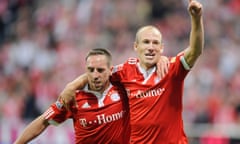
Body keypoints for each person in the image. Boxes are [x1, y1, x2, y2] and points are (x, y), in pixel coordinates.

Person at [60, 0, 204, 143]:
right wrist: (73, 85)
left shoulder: (171, 69)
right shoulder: (125, 71)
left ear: (162, 48)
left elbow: (195, 51)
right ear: (136, 46)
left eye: (155, 43)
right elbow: (99, 74)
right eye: (146, 42)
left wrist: (196, 19)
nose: (151, 47)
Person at [14, 48, 131, 144]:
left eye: (100, 70)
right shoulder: (73, 98)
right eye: (91, 70)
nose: (95, 75)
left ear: (110, 70)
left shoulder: (124, 90)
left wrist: (74, 83)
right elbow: (43, 121)